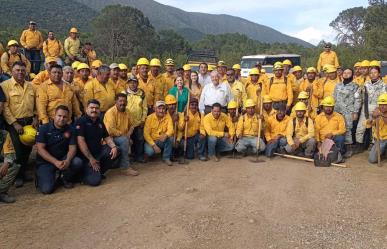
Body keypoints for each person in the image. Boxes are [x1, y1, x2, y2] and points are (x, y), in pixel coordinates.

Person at [1, 61, 38, 187]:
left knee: (28, 147)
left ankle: (23, 171)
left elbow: (35, 104)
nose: (20, 72)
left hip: (29, 122)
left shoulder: (31, 86)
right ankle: (18, 176)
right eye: (17, 70)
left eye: (23, 70)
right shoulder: (5, 85)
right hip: (14, 123)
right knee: (17, 150)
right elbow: (5, 107)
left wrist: (35, 117)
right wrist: (14, 123)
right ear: (12, 70)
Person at [35, 105, 84, 194]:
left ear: (68, 118)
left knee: (77, 162)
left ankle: (64, 177)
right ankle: (45, 176)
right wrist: (55, 162)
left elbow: (72, 148)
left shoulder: (71, 129)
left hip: (63, 160)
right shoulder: (43, 129)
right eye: (59, 116)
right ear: (54, 115)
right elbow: (40, 149)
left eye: (65, 117)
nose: (62, 119)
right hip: (46, 163)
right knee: (47, 190)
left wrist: (68, 160)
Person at [75, 99, 120, 186]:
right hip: (85, 157)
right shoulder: (81, 121)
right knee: (95, 182)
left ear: (99, 110)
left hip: (98, 153)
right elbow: (81, 142)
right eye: (92, 108)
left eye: (97, 108)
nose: (94, 110)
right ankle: (82, 176)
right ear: (86, 109)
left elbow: (106, 137)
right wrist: (90, 159)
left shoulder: (99, 121)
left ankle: (98, 171)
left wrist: (113, 147)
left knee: (117, 150)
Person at [103, 93, 139, 176]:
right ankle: (125, 168)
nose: (122, 103)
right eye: (120, 101)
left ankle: (124, 163)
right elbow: (110, 130)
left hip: (122, 136)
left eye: (124, 101)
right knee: (124, 141)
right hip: (110, 138)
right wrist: (125, 136)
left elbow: (132, 125)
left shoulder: (128, 111)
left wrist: (129, 134)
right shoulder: (110, 112)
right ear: (116, 101)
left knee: (127, 139)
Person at [355, 67, 387, 152]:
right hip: (365, 109)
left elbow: (384, 100)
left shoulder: (383, 85)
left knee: (375, 128)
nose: (373, 74)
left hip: (378, 109)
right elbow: (358, 97)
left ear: (379, 74)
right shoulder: (365, 84)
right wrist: (356, 111)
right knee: (360, 128)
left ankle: (373, 146)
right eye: (371, 73)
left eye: (375, 72)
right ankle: (359, 145)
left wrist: (378, 110)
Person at [333, 68, 361, 157]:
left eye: (349, 73)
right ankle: (339, 147)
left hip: (349, 111)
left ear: (352, 75)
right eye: (344, 73)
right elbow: (334, 97)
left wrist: (355, 112)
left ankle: (349, 148)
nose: (346, 74)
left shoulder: (356, 86)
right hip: (337, 111)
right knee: (337, 128)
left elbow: (358, 100)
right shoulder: (337, 86)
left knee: (348, 129)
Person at [124, 75, 147, 163]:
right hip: (128, 123)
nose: (133, 84)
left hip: (138, 122)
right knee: (130, 140)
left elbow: (145, 108)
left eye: (134, 82)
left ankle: (139, 156)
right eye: (131, 82)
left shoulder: (142, 93)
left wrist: (143, 120)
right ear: (128, 83)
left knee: (139, 139)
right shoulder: (124, 93)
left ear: (137, 83)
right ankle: (131, 156)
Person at [143, 101, 174, 166]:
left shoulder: (167, 117)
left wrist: (166, 135)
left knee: (170, 138)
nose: (161, 111)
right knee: (150, 152)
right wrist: (154, 145)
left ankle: (166, 158)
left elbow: (171, 129)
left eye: (163, 109)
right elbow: (146, 134)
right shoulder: (149, 118)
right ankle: (148, 154)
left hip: (161, 140)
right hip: (151, 141)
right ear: (155, 109)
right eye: (159, 108)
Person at [0, 133, 20, 203]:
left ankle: (1, 192)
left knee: (13, 167)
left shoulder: (4, 134)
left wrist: (6, 163)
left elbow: (10, 152)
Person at [368, 93, 387, 164]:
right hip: (379, 139)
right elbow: (370, 124)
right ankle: (383, 151)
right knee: (372, 159)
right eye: (381, 105)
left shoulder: (380, 113)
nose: (382, 107)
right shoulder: (376, 111)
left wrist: (381, 115)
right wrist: (372, 118)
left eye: (385, 105)